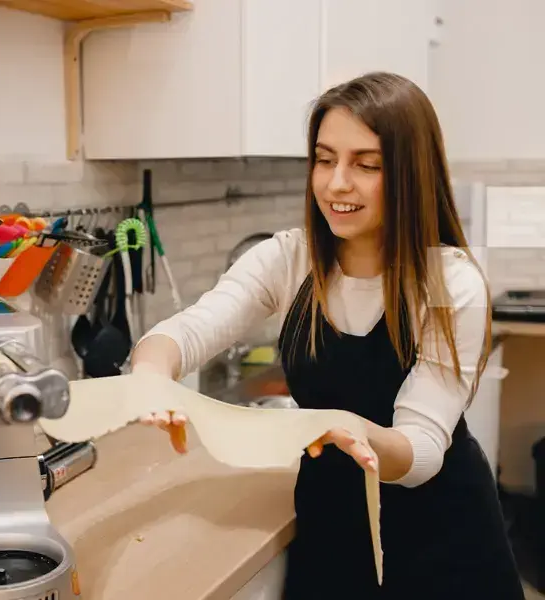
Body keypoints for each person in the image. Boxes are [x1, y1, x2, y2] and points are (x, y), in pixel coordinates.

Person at [130, 72, 526, 599]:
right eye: (324, 158)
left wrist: (344, 427)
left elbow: (422, 451)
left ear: (411, 174)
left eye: (367, 165)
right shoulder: (288, 259)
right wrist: (151, 375)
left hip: (443, 536)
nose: (337, 183)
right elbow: (189, 329)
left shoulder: (448, 282)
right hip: (330, 523)